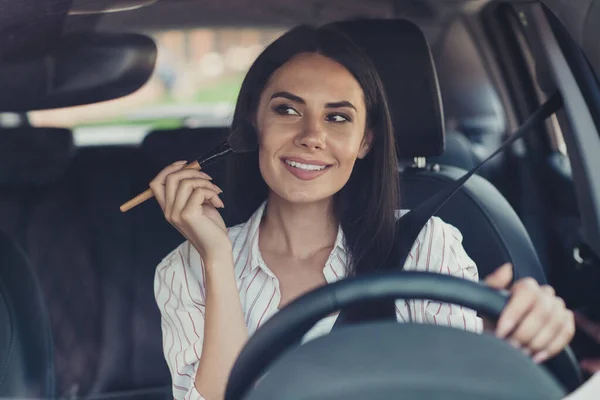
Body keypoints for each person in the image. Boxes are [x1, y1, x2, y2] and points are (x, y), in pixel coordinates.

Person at [151, 24, 575, 400]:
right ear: (253, 124)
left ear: (365, 141)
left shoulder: (427, 245)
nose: (312, 136)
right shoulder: (186, 270)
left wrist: (518, 332)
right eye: (288, 110)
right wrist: (217, 259)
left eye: (337, 118)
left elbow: (458, 377)